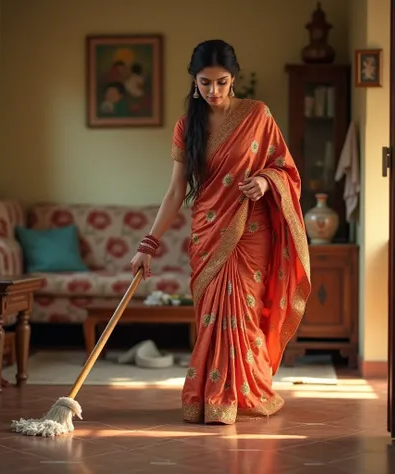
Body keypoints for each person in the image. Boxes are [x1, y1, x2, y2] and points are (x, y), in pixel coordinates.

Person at [130, 39, 311, 425]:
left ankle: (241, 395)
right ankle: (209, 397)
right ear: (194, 81)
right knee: (212, 317)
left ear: (234, 80)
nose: (213, 91)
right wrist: (148, 244)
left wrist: (265, 181)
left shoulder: (258, 115)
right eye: (205, 83)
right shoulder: (186, 127)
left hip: (252, 229)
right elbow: (176, 191)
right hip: (208, 230)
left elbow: (286, 168)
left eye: (222, 83)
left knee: (244, 313)